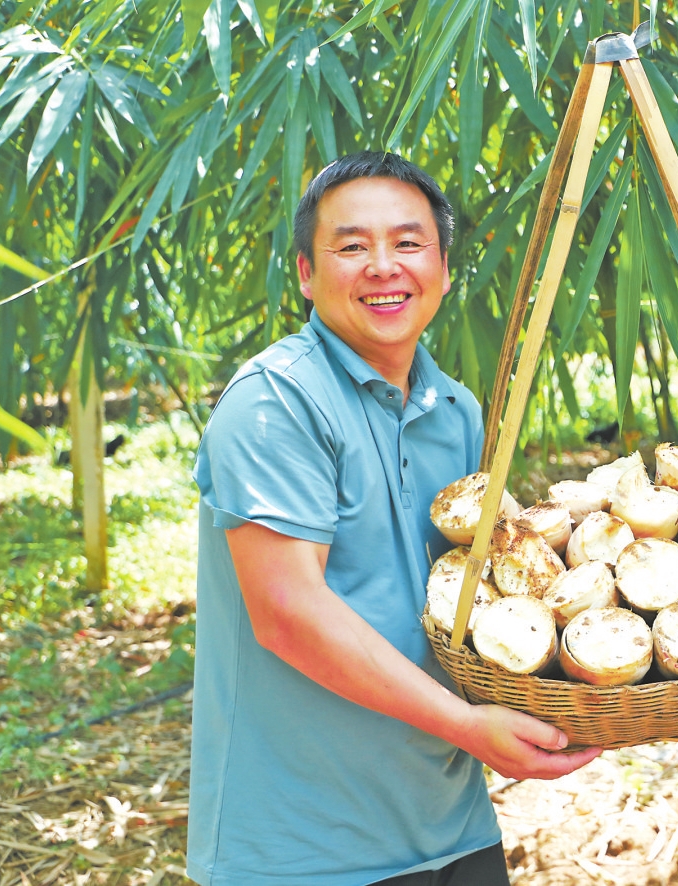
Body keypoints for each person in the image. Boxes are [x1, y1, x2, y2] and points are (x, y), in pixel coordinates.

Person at [188, 152, 600, 886]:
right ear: (306, 274)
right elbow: (287, 613)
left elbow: (472, 599)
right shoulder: (275, 401)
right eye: (351, 246)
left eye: (408, 243)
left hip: (450, 822)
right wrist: (467, 726)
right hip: (305, 847)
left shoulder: (456, 410)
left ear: (442, 269)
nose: (383, 266)